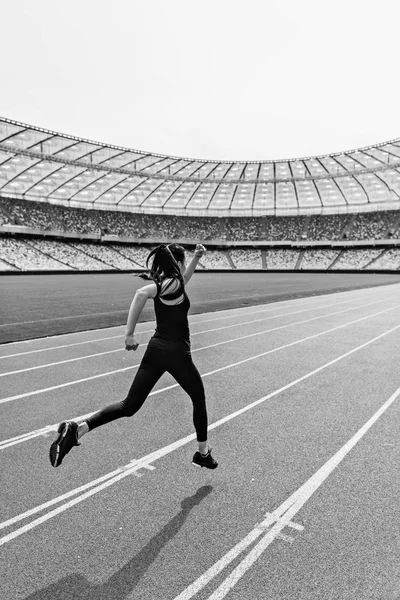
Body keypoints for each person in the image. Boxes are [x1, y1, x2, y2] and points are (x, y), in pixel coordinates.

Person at [49, 243, 218, 470]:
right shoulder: (172, 284)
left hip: (156, 350)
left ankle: (77, 429)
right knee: (199, 398)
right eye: (185, 261)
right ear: (178, 263)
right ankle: (202, 453)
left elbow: (183, 280)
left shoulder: (170, 284)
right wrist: (129, 334)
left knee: (129, 406)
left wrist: (196, 258)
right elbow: (141, 293)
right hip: (177, 353)